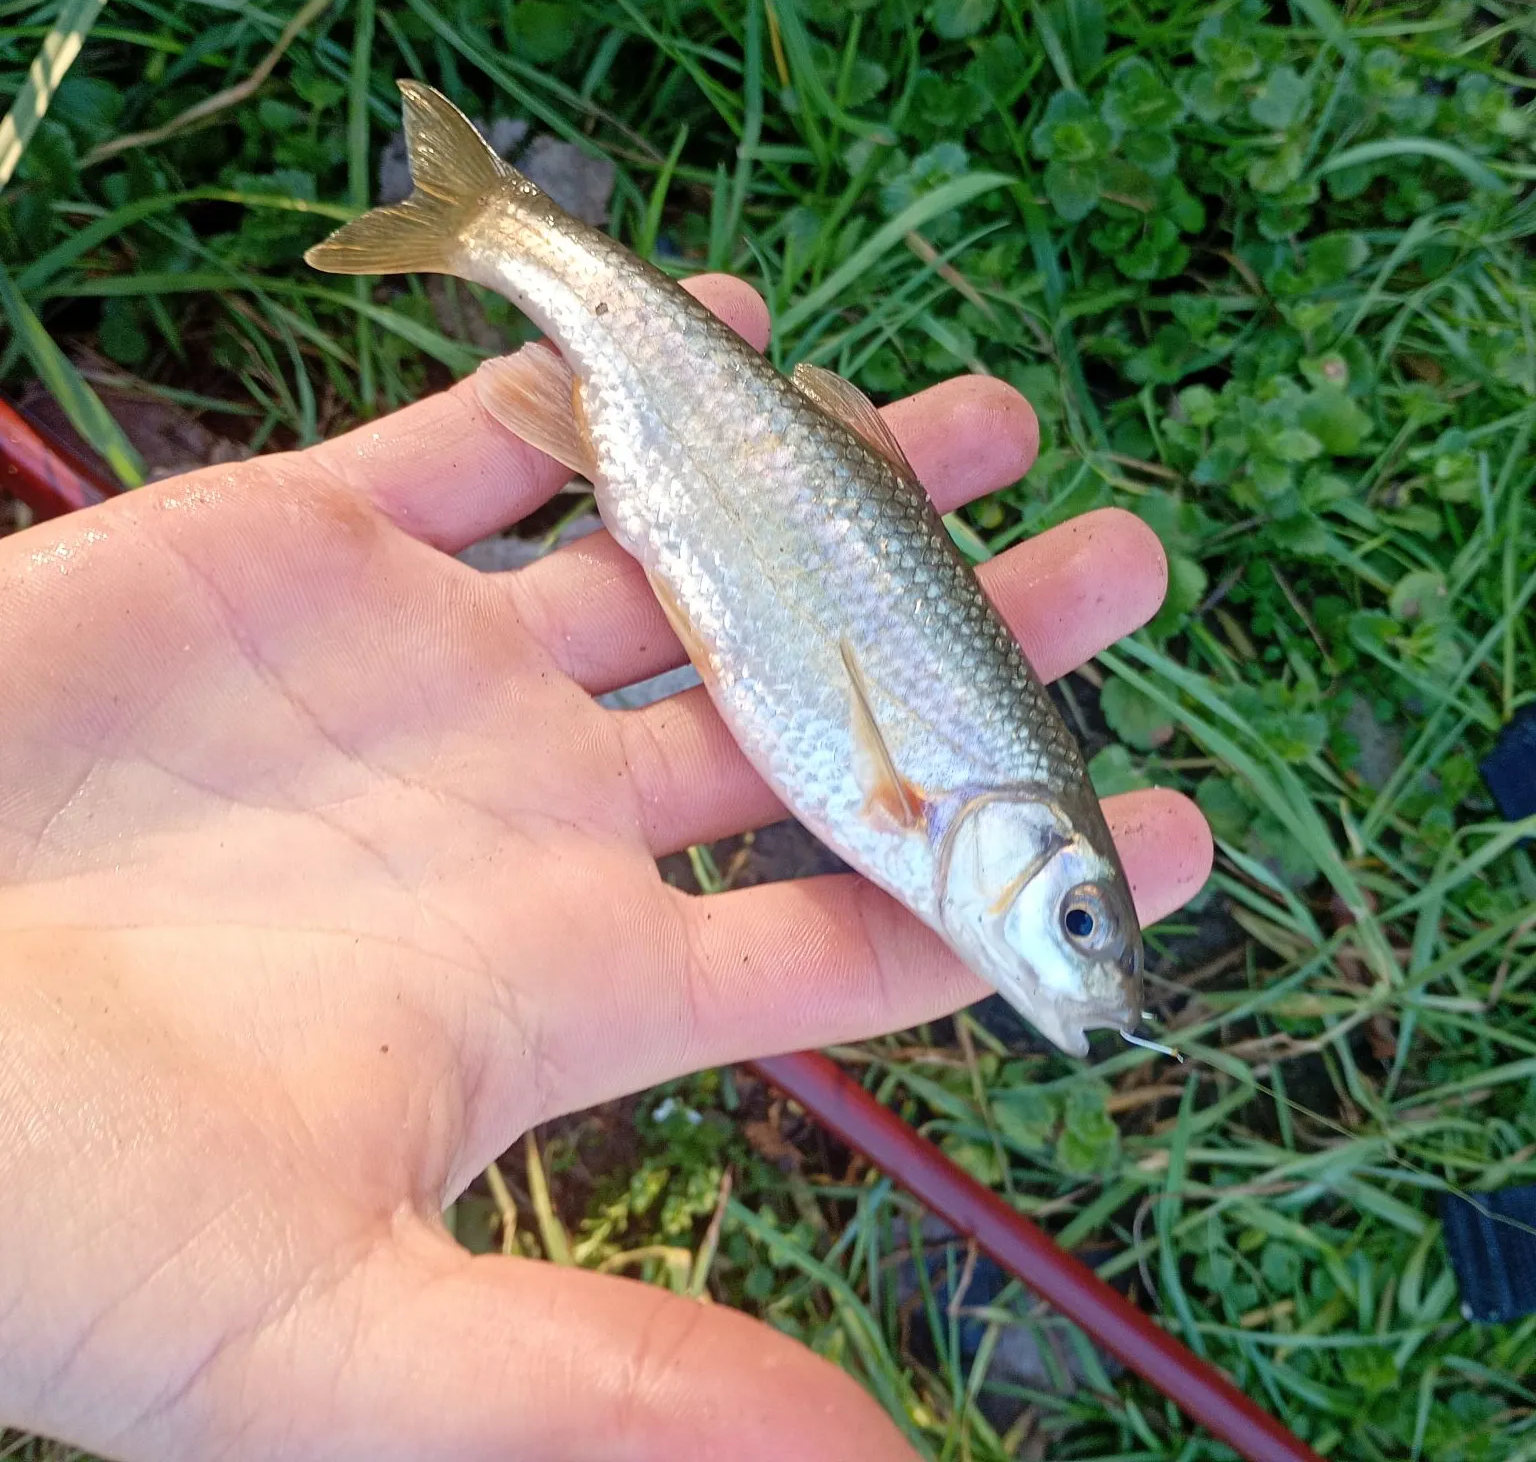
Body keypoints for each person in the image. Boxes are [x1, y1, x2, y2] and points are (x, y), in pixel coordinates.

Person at [0, 272, 1211, 1461]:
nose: (1075, 960)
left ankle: (516, 247)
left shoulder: (932, 818)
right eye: (1079, 926)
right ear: (1033, 836)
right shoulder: (920, 808)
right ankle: (514, 241)